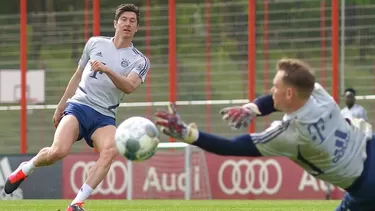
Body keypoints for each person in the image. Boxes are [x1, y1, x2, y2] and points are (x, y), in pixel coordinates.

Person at [155, 58, 375, 211]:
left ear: (289, 92)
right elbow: (277, 100)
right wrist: (251, 108)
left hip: (366, 184)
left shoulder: (291, 133)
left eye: (275, 86)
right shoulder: (318, 94)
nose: (271, 90)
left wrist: (189, 134)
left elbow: (233, 147)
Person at [4, 4, 150, 211]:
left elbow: (129, 86)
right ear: (115, 23)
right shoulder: (95, 43)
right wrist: (60, 105)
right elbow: (77, 75)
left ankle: (76, 203)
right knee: (58, 152)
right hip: (79, 106)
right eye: (124, 19)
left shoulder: (140, 60)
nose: (127, 23)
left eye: (132, 21)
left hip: (105, 116)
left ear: (137, 28)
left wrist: (107, 70)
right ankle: (25, 168)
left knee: (110, 150)